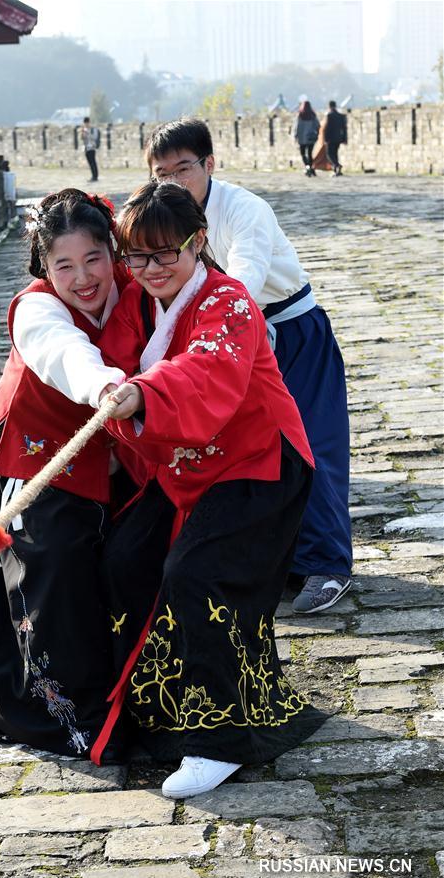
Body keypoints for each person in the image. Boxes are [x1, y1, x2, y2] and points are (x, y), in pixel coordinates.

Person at [88, 181, 328, 798]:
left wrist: (144, 392)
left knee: (198, 575)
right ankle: (157, 709)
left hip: (258, 462)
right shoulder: (138, 303)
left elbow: (206, 368)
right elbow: (100, 356)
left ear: (198, 242)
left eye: (165, 253)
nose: (151, 269)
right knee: (124, 558)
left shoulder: (230, 302)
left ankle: (217, 738)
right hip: (185, 466)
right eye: (138, 256)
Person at [0, 189, 131, 760]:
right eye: (64, 265)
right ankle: (58, 714)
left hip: (98, 442)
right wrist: (105, 387)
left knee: (84, 561)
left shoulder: (134, 285)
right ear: (44, 267)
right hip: (28, 448)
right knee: (49, 566)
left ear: (112, 251)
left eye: (94, 258)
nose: (83, 278)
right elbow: (63, 353)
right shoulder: (35, 309)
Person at [143, 118, 352, 615]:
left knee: (310, 442)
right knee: (252, 450)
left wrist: (214, 333)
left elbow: (245, 278)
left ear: (209, 164)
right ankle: (280, 559)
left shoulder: (244, 209)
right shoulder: (164, 215)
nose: (174, 182)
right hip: (220, 338)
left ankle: (327, 564)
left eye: (183, 169)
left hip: (285, 329)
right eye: (161, 174)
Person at [294, 99, 320, 176]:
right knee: (309, 154)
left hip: (302, 138)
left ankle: (308, 167)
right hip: (311, 138)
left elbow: (297, 126)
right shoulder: (313, 115)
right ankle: (311, 168)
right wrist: (315, 133)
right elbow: (318, 125)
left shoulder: (300, 115)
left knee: (303, 154)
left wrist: (296, 136)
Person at [323, 100, 347, 177]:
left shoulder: (329, 116)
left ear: (329, 106)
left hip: (330, 138)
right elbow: (344, 128)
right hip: (338, 138)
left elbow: (327, 129)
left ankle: (336, 165)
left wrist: (325, 139)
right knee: (335, 154)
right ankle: (336, 170)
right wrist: (344, 139)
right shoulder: (341, 116)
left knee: (329, 154)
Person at [81, 116, 100, 182]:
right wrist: (83, 134)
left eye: (87, 123)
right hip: (86, 148)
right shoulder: (84, 129)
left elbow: (95, 137)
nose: (86, 124)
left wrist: (88, 133)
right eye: (85, 123)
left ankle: (95, 176)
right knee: (90, 163)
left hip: (92, 147)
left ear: (89, 122)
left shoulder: (93, 129)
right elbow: (83, 138)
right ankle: (93, 176)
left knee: (93, 162)